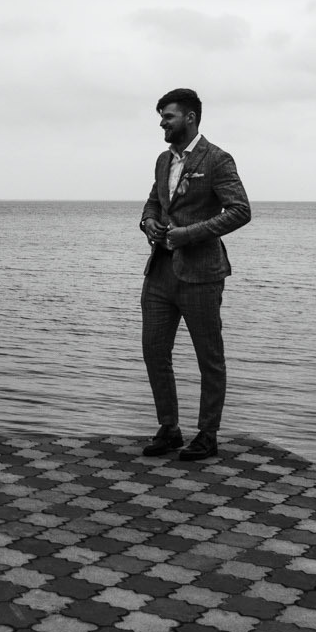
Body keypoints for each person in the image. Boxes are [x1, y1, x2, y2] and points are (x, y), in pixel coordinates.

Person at [137, 88, 251, 461]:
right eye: (160, 117)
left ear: (189, 117)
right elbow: (155, 201)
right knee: (154, 351)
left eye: (167, 117)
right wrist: (149, 222)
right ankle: (169, 428)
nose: (161, 123)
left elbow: (239, 211)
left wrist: (190, 233)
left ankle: (207, 433)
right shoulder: (162, 160)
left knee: (209, 357)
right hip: (160, 272)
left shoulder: (217, 159)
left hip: (202, 274)